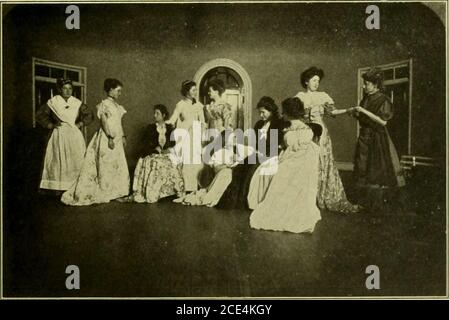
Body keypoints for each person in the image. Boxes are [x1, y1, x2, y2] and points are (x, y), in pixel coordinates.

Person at [249, 97, 321, 233]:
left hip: (295, 162)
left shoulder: (293, 127)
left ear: (288, 112)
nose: (282, 114)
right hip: (298, 161)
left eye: (284, 111)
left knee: (276, 176)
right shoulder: (298, 126)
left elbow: (291, 148)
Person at [295, 66, 359, 213]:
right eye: (313, 80)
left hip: (321, 133)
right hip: (306, 132)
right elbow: (295, 114)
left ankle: (322, 196)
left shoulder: (323, 96)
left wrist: (347, 110)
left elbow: (333, 112)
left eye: (318, 80)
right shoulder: (300, 96)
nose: (316, 83)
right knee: (307, 161)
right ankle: (306, 197)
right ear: (306, 82)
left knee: (322, 163)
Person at [61, 78, 130, 205]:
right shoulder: (104, 104)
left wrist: (123, 136)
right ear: (110, 90)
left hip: (118, 139)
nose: (120, 94)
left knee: (117, 165)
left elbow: (119, 123)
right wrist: (110, 137)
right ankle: (106, 192)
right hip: (107, 138)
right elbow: (104, 122)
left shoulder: (117, 106)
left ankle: (117, 193)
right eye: (118, 91)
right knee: (107, 165)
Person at [350, 67, 406, 212]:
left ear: (375, 84)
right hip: (364, 137)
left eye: (366, 83)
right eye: (364, 83)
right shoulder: (366, 99)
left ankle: (376, 205)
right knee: (362, 168)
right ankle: (364, 203)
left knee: (375, 169)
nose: (363, 86)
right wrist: (355, 113)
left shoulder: (383, 100)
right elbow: (364, 117)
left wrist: (363, 111)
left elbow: (383, 122)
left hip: (377, 138)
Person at [218, 96, 284, 210]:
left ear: (271, 110)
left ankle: (244, 202)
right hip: (259, 152)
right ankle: (236, 202)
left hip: (271, 154)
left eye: (263, 112)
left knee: (251, 168)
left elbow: (276, 144)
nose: (261, 115)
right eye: (260, 113)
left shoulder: (278, 124)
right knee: (240, 167)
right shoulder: (259, 124)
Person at [36, 78, 93, 194]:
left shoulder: (76, 102)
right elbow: (40, 115)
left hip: (74, 135)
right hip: (59, 135)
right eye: (65, 88)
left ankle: (75, 187)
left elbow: (89, 115)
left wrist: (80, 123)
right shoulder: (53, 102)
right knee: (59, 160)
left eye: (70, 88)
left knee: (76, 159)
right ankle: (59, 188)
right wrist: (50, 125)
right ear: (60, 89)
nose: (68, 91)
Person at [180, 131, 254, 207]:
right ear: (225, 140)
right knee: (226, 173)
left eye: (235, 137)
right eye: (232, 138)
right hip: (223, 174)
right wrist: (228, 166)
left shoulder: (236, 152)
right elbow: (216, 168)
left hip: (233, 173)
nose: (235, 139)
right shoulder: (220, 152)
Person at [131, 104, 184, 203]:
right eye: (154, 113)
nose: (154, 115)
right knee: (157, 163)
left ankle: (173, 192)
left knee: (174, 163)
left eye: (157, 113)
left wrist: (168, 149)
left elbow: (173, 143)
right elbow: (145, 144)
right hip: (153, 154)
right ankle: (156, 192)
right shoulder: (150, 128)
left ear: (164, 115)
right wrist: (154, 148)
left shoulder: (169, 128)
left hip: (165, 154)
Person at [167, 80, 206, 195]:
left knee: (197, 162)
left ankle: (195, 187)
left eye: (195, 90)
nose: (195, 92)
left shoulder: (199, 106)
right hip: (185, 136)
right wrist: (167, 124)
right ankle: (187, 188)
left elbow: (202, 122)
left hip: (196, 136)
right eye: (193, 90)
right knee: (187, 162)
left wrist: (202, 137)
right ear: (186, 91)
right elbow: (173, 119)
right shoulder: (180, 105)